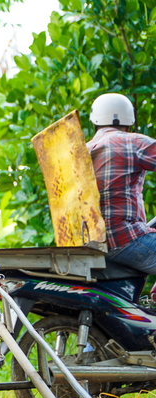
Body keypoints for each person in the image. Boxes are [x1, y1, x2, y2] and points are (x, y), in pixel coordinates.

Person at [87, 93, 156, 273]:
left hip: (90, 244)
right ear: (129, 123)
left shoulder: (81, 151)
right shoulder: (134, 141)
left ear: (94, 123)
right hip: (125, 239)